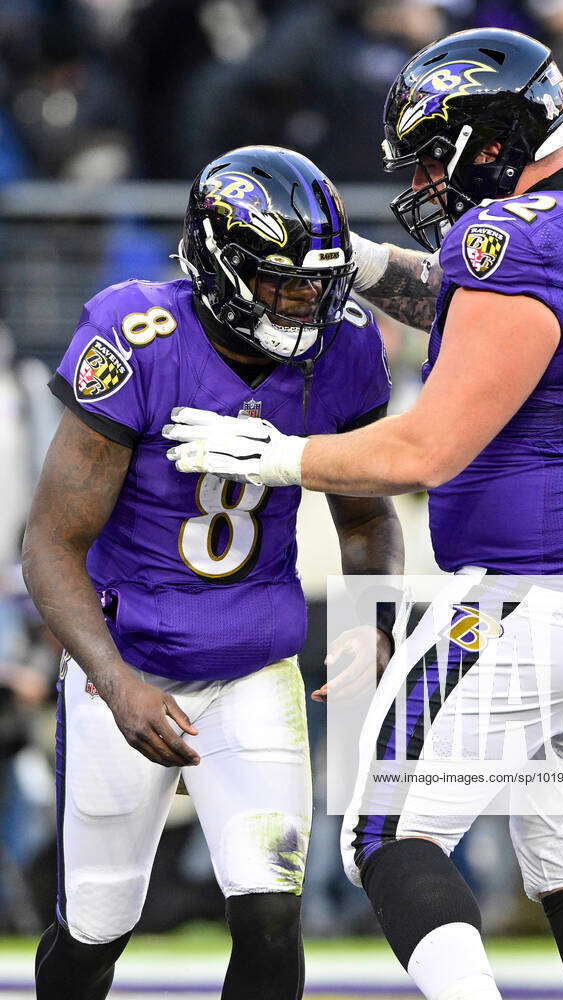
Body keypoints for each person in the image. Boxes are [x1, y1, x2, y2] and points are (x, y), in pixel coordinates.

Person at [163, 28, 563, 1000]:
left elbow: (424, 450)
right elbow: (504, 322)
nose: (422, 178)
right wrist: (369, 266)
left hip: (534, 601)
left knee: (385, 832)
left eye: (429, 154)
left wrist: (282, 456)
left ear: (486, 139)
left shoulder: (508, 242)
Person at [23, 145, 402, 1000]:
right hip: (127, 659)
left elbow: (368, 514)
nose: (308, 301)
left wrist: (371, 621)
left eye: (317, 282)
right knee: (95, 926)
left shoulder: (342, 347)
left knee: (271, 911)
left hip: (251, 666)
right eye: (283, 283)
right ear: (223, 267)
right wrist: (115, 682)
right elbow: (49, 543)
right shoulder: (136, 335)